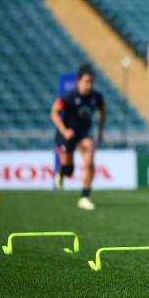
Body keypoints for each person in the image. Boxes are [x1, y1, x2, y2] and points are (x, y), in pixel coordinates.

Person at [50, 63, 106, 210]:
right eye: (87, 82)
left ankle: (84, 197)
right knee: (69, 169)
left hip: (83, 134)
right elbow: (54, 112)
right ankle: (61, 173)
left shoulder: (97, 97)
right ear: (79, 81)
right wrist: (64, 131)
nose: (89, 85)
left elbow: (102, 112)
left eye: (92, 82)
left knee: (89, 161)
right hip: (67, 134)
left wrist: (100, 132)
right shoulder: (69, 96)